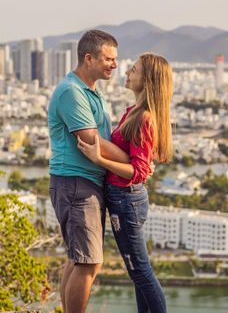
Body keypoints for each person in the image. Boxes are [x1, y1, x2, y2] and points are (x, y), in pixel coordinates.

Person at [77, 53, 173, 313]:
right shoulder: (134, 112)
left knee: (140, 272)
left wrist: (99, 159)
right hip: (124, 198)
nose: (127, 72)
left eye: (134, 69)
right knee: (137, 274)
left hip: (127, 199)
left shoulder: (144, 118)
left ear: (148, 80)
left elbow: (139, 171)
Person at [47, 29, 131, 313]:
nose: (114, 65)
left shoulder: (92, 92)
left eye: (115, 59)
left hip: (81, 181)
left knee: (77, 258)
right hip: (75, 182)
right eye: (108, 59)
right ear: (88, 58)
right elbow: (91, 140)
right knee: (89, 261)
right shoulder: (72, 92)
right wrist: (132, 162)